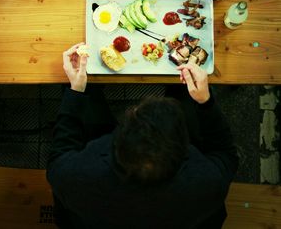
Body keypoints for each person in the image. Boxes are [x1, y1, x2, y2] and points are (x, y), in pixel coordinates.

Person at [46, 43, 239, 229]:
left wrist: (75, 91)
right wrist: (205, 102)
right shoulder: (207, 184)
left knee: (86, 101)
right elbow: (225, 152)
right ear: (184, 150)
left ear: (117, 140)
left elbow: (59, 153)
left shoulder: (76, 177)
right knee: (187, 101)